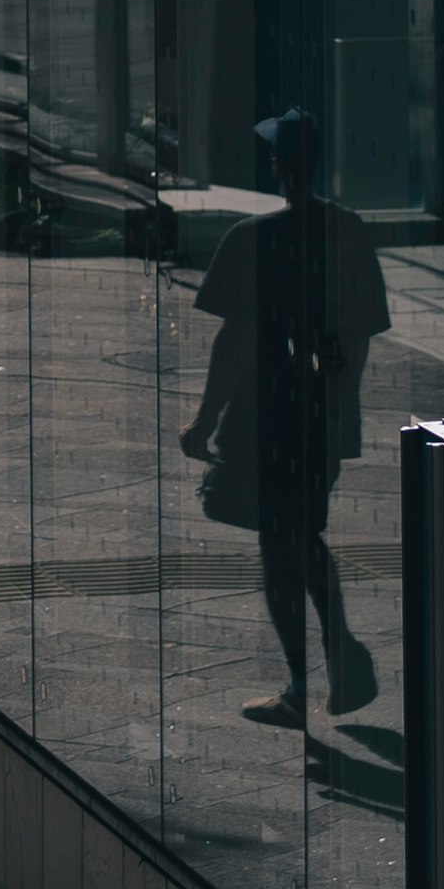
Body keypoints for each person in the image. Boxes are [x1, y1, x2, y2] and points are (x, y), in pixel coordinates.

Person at [183, 107, 387, 732]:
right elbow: (361, 337)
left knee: (282, 546)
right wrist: (336, 407)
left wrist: (202, 422)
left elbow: (234, 343)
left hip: (265, 419)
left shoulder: (253, 240)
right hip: (318, 419)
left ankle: (308, 680)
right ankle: (340, 656)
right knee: (301, 535)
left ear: (276, 167)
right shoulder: (348, 233)